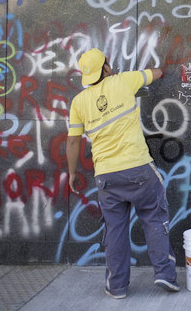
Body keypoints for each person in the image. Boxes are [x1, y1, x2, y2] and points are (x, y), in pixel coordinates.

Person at [66, 48, 179, 299]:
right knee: (153, 216)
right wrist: (169, 61)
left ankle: (116, 286)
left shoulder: (78, 102)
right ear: (106, 67)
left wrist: (72, 173)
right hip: (138, 168)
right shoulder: (124, 81)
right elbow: (157, 73)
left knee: (115, 230)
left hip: (106, 176)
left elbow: (73, 141)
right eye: (107, 64)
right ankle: (164, 274)